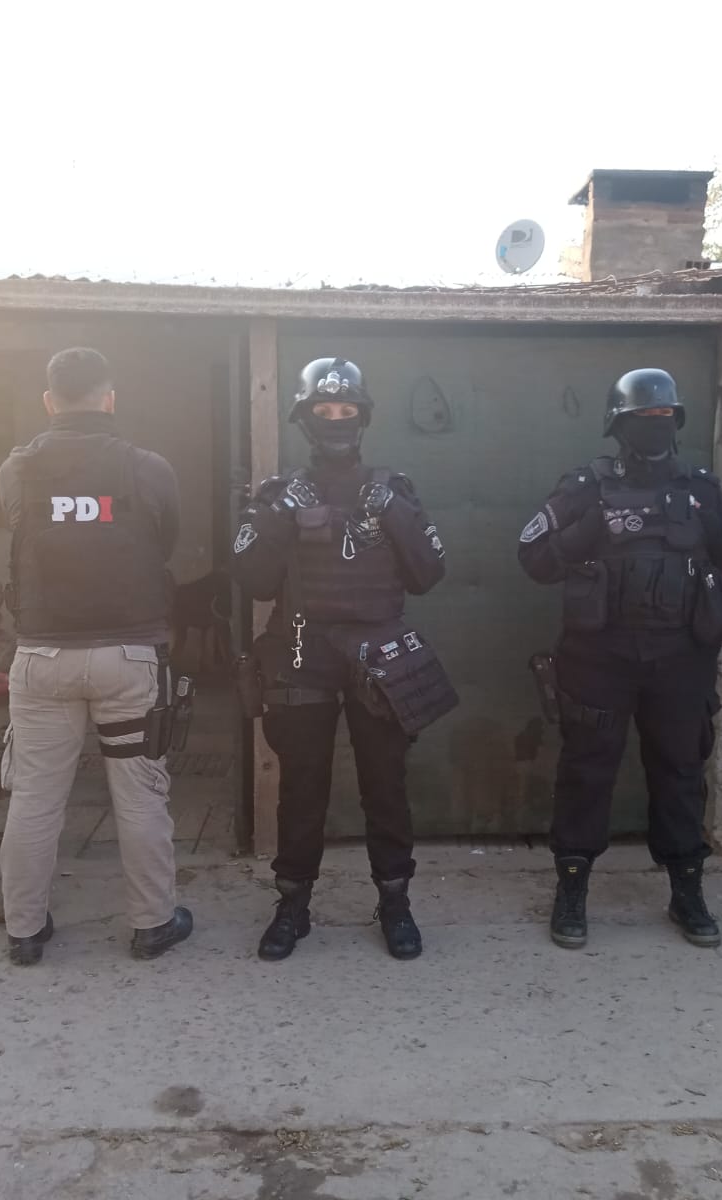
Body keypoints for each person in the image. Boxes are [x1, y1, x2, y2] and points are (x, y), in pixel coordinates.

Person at [519, 368, 722, 951]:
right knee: (586, 770)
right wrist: (590, 527)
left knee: (681, 771)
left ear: (677, 422)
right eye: (642, 417)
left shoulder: (701, 487)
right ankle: (572, 887)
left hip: (680, 655)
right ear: (616, 425)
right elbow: (533, 558)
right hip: (599, 655)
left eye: (664, 416)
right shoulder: (584, 486)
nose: (654, 425)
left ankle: (687, 889)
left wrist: (701, 520)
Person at [232, 357, 452, 962]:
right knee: (302, 786)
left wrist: (394, 512)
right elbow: (253, 579)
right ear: (305, 419)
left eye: (346, 408)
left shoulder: (394, 489)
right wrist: (279, 516)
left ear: (363, 417)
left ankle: (395, 901)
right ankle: (293, 903)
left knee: (386, 784)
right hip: (301, 652)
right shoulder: (279, 493)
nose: (336, 418)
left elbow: (429, 573)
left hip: (379, 657)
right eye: (324, 409)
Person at [0, 348, 190, 967]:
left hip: (42, 656)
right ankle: (152, 924)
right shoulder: (149, 469)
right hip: (127, 657)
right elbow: (164, 542)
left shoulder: (16, 470)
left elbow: (22, 532)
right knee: (140, 796)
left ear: (48, 401)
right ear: (109, 399)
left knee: (34, 798)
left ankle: (24, 931)